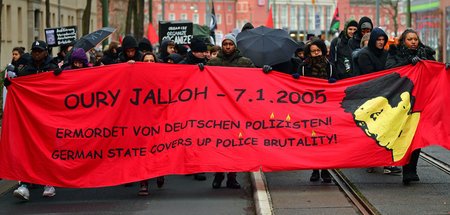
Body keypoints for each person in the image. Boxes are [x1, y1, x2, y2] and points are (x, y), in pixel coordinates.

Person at [7, 40, 60, 200]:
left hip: (49, 116)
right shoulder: (27, 69)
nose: (36, 53)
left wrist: (59, 74)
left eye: (39, 51)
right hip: (30, 117)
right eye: (34, 51)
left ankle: (48, 182)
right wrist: (10, 83)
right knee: (28, 149)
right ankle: (24, 185)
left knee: (47, 148)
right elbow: (16, 87)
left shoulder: (52, 67)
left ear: (45, 52)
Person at [384, 29, 436, 185]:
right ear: (403, 41)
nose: (413, 42)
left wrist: (444, 68)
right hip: (401, 102)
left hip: (420, 100)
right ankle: (401, 165)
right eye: (409, 39)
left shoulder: (425, 53)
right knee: (403, 135)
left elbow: (434, 69)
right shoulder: (395, 53)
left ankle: (410, 170)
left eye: (415, 39)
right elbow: (389, 70)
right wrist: (408, 63)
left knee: (415, 135)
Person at [207, 33, 254, 189]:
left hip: (237, 110)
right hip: (218, 110)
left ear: (235, 46)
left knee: (235, 144)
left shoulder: (245, 63)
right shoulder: (213, 63)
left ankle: (232, 177)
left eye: (230, 44)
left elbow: (257, 79)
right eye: (225, 44)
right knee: (219, 144)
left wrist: (265, 71)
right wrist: (200, 69)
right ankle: (219, 174)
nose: (227, 47)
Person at [292, 38, 336, 183]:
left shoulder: (330, 67)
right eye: (313, 51)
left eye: (318, 51)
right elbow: (296, 88)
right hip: (310, 110)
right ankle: (315, 169)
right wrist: (296, 81)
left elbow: (339, 86)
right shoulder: (304, 68)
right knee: (313, 140)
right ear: (308, 53)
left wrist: (333, 83)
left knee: (326, 142)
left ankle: (325, 169)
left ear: (322, 51)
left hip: (326, 109)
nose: (316, 54)